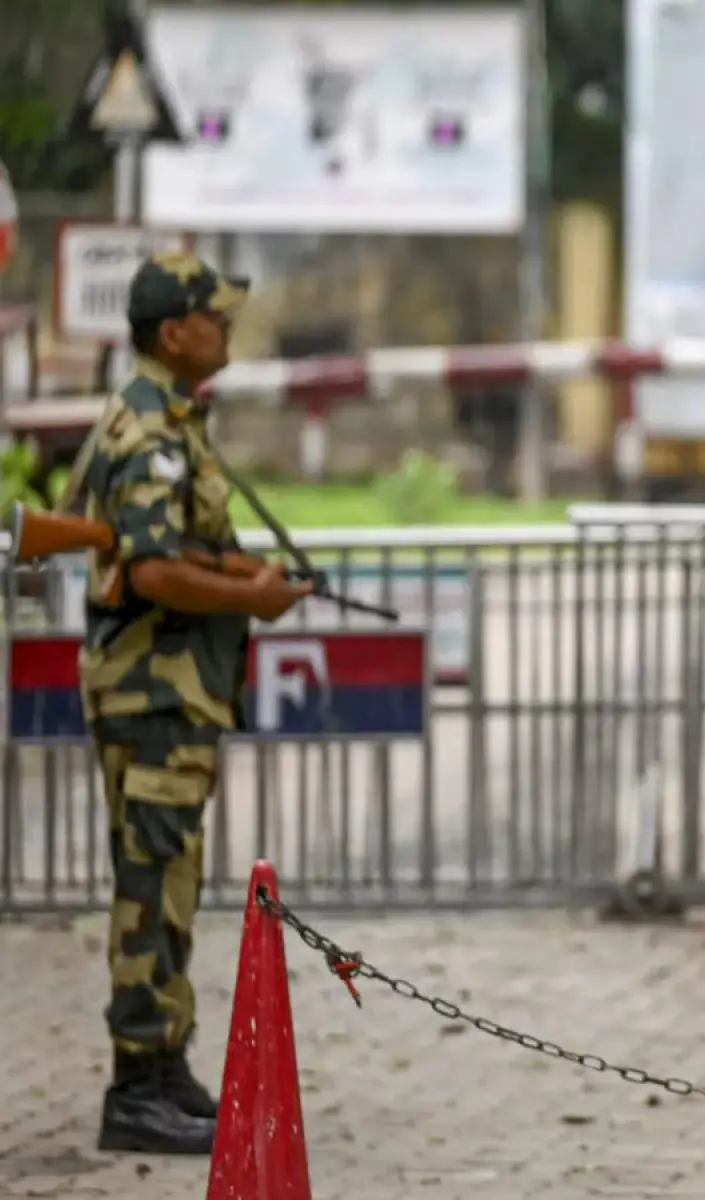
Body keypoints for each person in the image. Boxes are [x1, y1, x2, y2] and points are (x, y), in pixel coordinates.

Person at [73, 252, 313, 1155]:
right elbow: (151, 569)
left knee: (167, 885)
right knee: (150, 887)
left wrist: (241, 572)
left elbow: (173, 550)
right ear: (175, 332)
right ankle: (138, 1084)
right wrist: (250, 597)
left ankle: (162, 1066)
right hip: (154, 694)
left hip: (171, 696)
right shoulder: (150, 433)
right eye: (214, 317)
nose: (227, 331)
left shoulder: (169, 420)